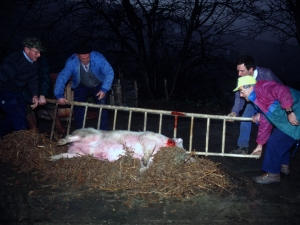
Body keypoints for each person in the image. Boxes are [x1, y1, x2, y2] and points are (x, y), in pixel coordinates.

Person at [233, 75, 299, 184]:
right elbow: (265, 122)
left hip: (296, 112)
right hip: (289, 120)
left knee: (275, 140)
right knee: (282, 139)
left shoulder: (263, 87)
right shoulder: (257, 100)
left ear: (249, 87)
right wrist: (260, 144)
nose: (240, 94)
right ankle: (284, 167)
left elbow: (282, 91)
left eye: (241, 90)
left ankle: (272, 174)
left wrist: (289, 111)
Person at [227, 55, 282, 154]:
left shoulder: (266, 75)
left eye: (242, 71)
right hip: (253, 101)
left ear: (251, 69)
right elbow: (239, 96)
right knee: (245, 118)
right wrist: (234, 112)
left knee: (279, 128)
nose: (239, 74)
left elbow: (281, 92)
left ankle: (282, 159)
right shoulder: (242, 78)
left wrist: (264, 112)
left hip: (272, 103)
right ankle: (242, 147)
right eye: (238, 70)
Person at [54, 44, 114, 130]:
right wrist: (59, 94)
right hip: (81, 84)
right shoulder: (71, 61)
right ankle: (80, 130)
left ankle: (103, 131)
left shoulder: (99, 58)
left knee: (102, 105)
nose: (86, 60)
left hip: (98, 83)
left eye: (88, 58)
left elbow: (109, 73)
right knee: (78, 106)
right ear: (77, 56)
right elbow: (62, 77)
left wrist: (104, 89)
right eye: (82, 58)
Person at [0, 37, 45, 138]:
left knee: (19, 115)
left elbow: (33, 79)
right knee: (19, 118)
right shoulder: (13, 62)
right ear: (26, 49)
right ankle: (23, 144)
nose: (39, 55)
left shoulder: (33, 62)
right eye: (36, 52)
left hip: (18, 92)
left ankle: (2, 135)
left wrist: (34, 94)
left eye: (40, 52)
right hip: (6, 93)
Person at [23, 54, 66, 133]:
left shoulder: (42, 60)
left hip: (42, 87)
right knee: (28, 109)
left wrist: (43, 94)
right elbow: (22, 83)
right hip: (28, 90)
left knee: (51, 106)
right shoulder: (22, 61)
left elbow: (45, 77)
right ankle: (34, 133)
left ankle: (60, 128)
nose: (38, 54)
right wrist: (30, 98)